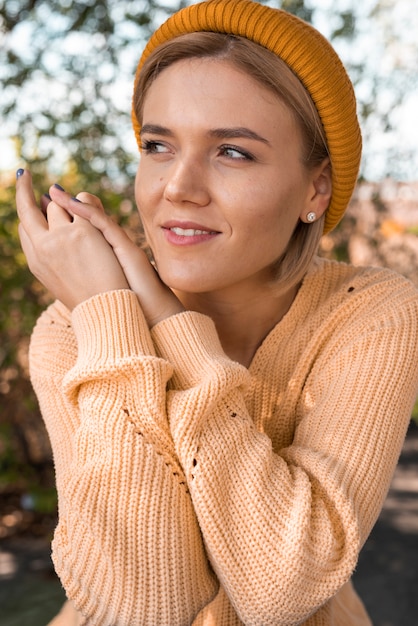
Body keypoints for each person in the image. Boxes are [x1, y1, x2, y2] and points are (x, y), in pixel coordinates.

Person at [15, 0, 418, 624]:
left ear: (315, 189)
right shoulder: (76, 328)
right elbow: (148, 603)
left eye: (233, 151)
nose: (178, 187)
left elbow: (284, 587)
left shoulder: (370, 316)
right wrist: (114, 321)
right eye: (158, 145)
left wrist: (165, 325)